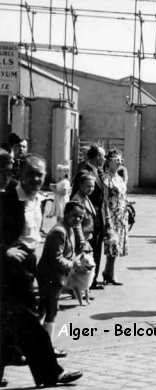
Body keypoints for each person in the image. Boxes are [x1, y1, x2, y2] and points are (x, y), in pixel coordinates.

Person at [0, 155, 83, 387]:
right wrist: (5, 250)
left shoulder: (38, 199)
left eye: (40, 174)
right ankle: (50, 373)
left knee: (10, 324)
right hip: (9, 268)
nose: (35, 179)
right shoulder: (8, 198)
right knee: (29, 320)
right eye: (30, 174)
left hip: (27, 263)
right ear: (20, 174)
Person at [37, 202, 86, 357]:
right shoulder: (60, 231)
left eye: (80, 217)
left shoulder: (68, 229)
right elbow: (56, 258)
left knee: (44, 311)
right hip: (50, 276)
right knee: (50, 311)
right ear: (66, 214)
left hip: (55, 276)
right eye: (74, 216)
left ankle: (35, 345)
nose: (78, 219)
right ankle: (47, 348)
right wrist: (73, 265)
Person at [72, 144, 106, 290]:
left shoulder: (97, 172)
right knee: (85, 251)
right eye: (102, 156)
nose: (104, 159)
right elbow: (75, 196)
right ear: (97, 157)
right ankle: (81, 285)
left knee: (96, 249)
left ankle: (92, 281)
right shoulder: (84, 172)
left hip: (97, 217)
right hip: (86, 218)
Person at [101, 150, 129, 285]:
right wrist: (108, 220)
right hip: (112, 215)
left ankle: (108, 272)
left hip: (121, 215)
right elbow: (105, 201)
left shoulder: (120, 177)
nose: (119, 162)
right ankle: (109, 274)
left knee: (117, 246)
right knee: (112, 245)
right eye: (116, 160)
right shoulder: (106, 179)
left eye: (120, 160)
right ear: (109, 162)